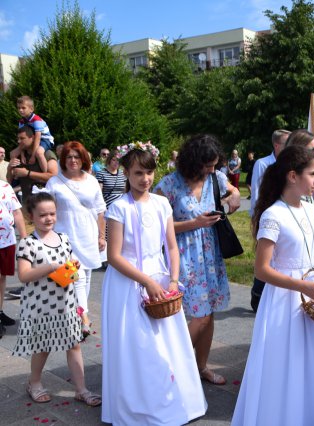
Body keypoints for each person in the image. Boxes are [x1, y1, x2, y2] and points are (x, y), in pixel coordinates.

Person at [232, 145, 314, 426]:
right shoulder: (272, 216)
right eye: (313, 174)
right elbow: (262, 269)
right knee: (287, 362)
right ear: (292, 176)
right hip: (285, 299)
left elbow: (309, 254)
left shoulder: (310, 208)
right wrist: (301, 287)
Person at [101, 142, 207, 425]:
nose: (145, 179)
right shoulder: (119, 208)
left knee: (165, 343)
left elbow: (171, 247)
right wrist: (146, 281)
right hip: (129, 280)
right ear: (126, 172)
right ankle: (137, 403)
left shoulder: (161, 204)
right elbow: (113, 256)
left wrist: (173, 279)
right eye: (138, 173)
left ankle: (172, 397)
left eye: (148, 172)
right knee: (138, 344)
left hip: (159, 276)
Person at [155, 134, 241, 386]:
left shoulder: (216, 178)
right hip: (183, 256)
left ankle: (200, 366)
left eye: (214, 164)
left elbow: (232, 190)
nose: (211, 170)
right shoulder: (169, 185)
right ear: (193, 161)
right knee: (198, 316)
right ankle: (174, 368)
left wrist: (233, 195)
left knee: (209, 313)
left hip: (210, 254)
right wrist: (195, 223)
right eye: (206, 165)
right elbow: (160, 227)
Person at [13, 191, 100, 406]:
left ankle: (81, 389)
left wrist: (73, 267)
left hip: (65, 303)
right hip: (41, 305)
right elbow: (23, 275)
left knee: (74, 345)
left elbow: (69, 270)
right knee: (43, 347)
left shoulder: (63, 238)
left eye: (52, 213)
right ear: (30, 216)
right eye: (43, 215)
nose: (49, 218)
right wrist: (50, 267)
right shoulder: (27, 243)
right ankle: (34, 383)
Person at [45, 141, 106, 340]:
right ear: (64, 159)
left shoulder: (91, 181)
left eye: (77, 157)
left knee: (85, 277)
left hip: (88, 234)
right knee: (74, 275)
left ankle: (77, 313)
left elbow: (100, 211)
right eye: (69, 157)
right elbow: (45, 209)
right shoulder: (55, 182)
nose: (73, 160)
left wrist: (101, 235)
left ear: (83, 159)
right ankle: (84, 317)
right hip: (65, 236)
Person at [249, 129, 290, 312]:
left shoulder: (290, 164)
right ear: (277, 145)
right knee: (266, 257)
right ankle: (258, 295)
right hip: (267, 217)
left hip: (285, 218)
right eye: (287, 144)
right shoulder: (263, 164)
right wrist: (257, 219)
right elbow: (257, 192)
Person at [8, 126, 58, 210]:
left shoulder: (47, 154)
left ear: (33, 138)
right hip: (26, 205)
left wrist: (27, 173)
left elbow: (54, 177)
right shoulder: (20, 156)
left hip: (45, 205)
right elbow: (9, 181)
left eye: (22, 138)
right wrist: (9, 168)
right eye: (18, 138)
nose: (19, 141)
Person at [0, 180, 26, 327]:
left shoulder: (5, 186)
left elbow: (16, 212)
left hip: (7, 240)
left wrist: (24, 238)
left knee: (2, 278)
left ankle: (0, 311)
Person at [16, 96, 54, 172]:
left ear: (31, 109)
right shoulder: (21, 121)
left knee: (39, 152)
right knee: (15, 153)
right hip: (33, 140)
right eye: (19, 108)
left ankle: (46, 174)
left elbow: (38, 138)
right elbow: (21, 138)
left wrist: (33, 156)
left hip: (45, 139)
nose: (20, 110)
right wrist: (22, 154)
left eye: (23, 108)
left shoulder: (37, 120)